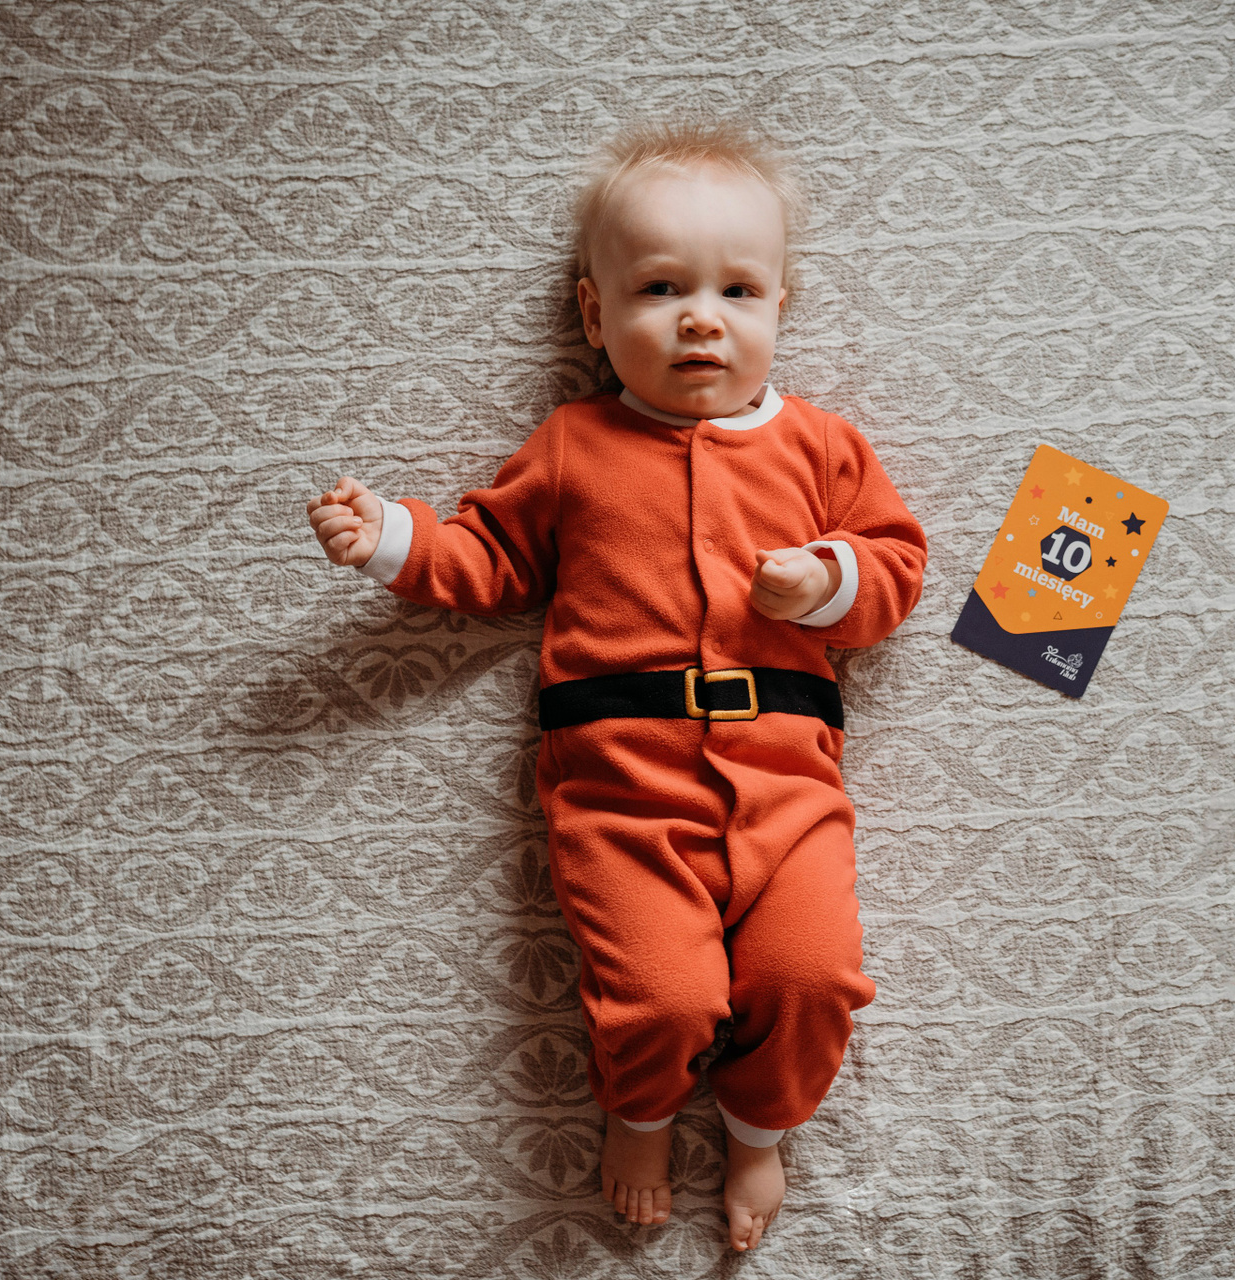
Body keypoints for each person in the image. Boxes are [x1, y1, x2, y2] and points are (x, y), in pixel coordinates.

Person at [306, 120, 926, 1252]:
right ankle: (639, 1109)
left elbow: (897, 568)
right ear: (594, 317)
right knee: (659, 993)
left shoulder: (822, 448)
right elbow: (491, 557)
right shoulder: (574, 445)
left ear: (781, 308)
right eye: (660, 288)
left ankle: (758, 1123)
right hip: (619, 790)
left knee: (812, 972)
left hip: (789, 783)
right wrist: (394, 537)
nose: (703, 318)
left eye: (738, 290)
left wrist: (828, 579)